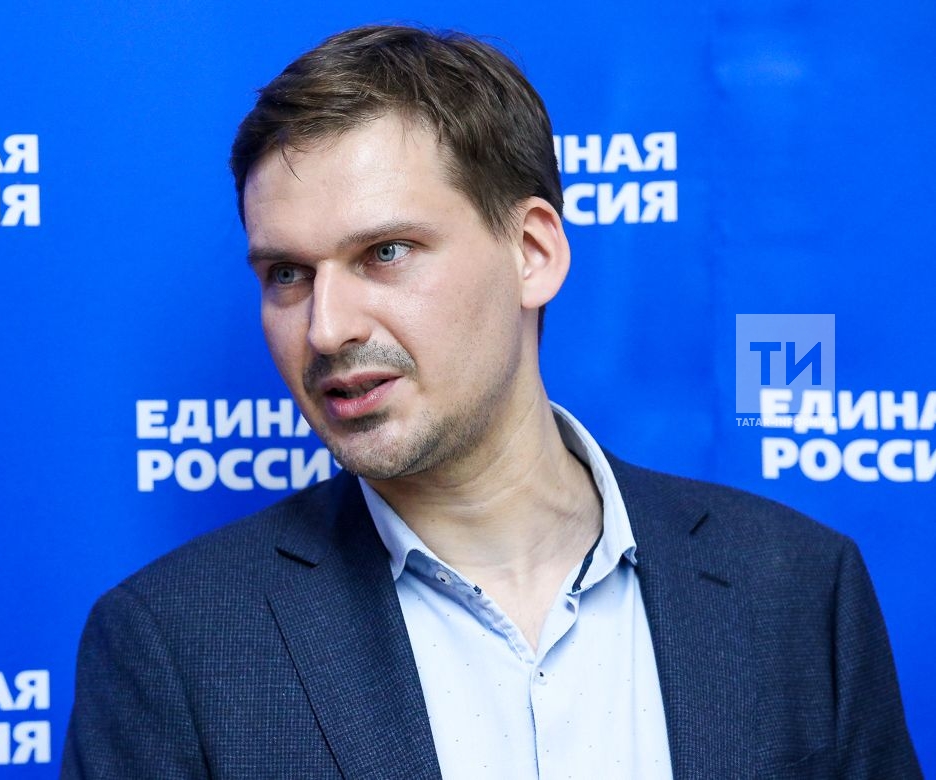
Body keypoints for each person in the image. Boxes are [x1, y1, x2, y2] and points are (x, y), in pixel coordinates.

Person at [61, 25, 920, 779]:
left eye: (385, 252)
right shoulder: (174, 646)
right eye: (287, 273)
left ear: (533, 253)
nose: (325, 328)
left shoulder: (797, 587)